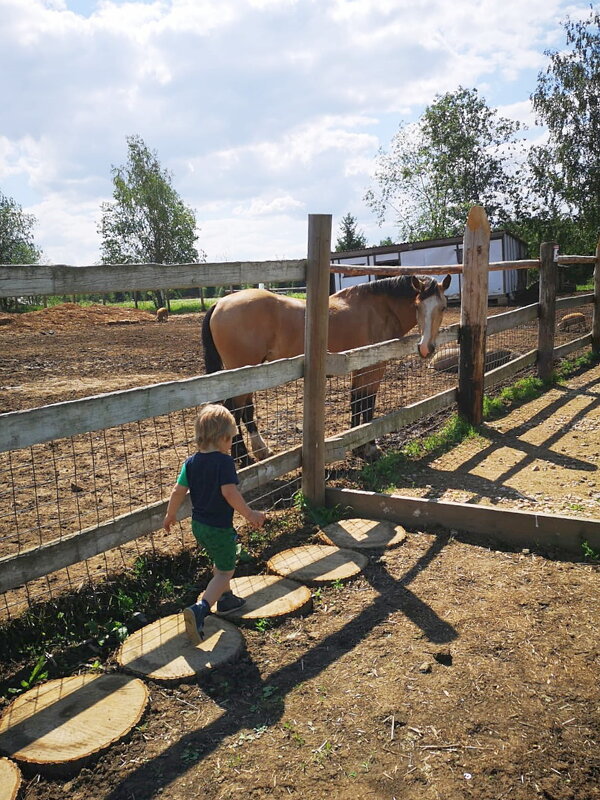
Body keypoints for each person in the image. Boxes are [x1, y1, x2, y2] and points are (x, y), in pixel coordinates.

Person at [163, 403, 266, 644]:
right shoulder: (224, 462)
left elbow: (178, 491)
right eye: (231, 439)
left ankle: (226, 598)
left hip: (199, 526)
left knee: (220, 562)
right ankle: (201, 608)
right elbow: (230, 493)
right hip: (219, 527)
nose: (231, 445)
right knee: (226, 570)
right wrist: (250, 514)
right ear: (222, 438)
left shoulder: (190, 463)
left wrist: (170, 515)